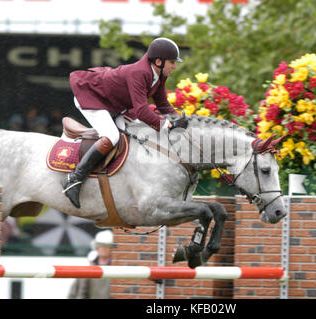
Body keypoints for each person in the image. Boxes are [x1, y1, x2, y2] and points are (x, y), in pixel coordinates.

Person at [62, 37, 188, 208]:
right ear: (158, 61)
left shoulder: (159, 74)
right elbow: (143, 111)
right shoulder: (140, 73)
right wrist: (167, 125)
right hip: (92, 96)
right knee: (112, 136)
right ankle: (74, 179)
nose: (174, 66)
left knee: (138, 131)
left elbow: (162, 104)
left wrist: (178, 119)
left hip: (116, 104)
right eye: (172, 62)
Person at [68, 230, 113, 299]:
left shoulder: (116, 268)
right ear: (96, 247)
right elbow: (76, 290)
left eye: (107, 245)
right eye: (100, 245)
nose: (103, 248)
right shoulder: (88, 267)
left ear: (111, 248)